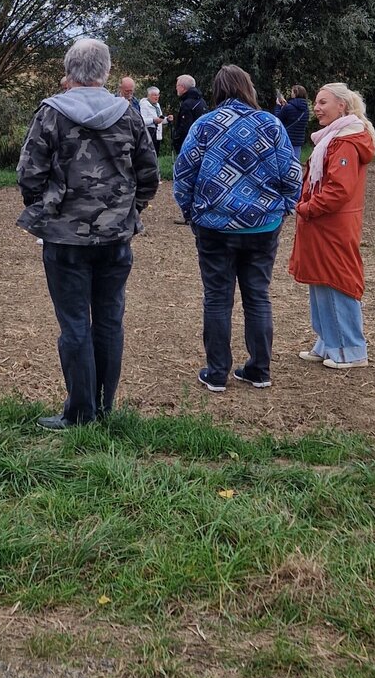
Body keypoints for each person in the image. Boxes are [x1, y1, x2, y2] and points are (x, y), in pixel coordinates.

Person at [17, 36, 159, 427]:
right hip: (116, 238)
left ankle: (81, 413)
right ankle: (103, 408)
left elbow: (29, 174)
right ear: (106, 71)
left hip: (65, 239)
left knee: (75, 324)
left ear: (69, 71)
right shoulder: (129, 114)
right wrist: (127, 211)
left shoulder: (50, 113)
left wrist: (48, 210)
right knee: (110, 321)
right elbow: (149, 174)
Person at [173, 64, 302, 392]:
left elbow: (184, 174)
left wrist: (190, 212)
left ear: (218, 90)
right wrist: (283, 208)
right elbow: (291, 173)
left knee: (217, 298)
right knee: (258, 297)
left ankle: (217, 372)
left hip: (214, 226)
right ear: (248, 88)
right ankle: (259, 369)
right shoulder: (270, 124)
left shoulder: (205, 125)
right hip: (262, 225)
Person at [289, 82, 375, 370]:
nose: (316, 108)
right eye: (316, 102)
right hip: (323, 225)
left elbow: (339, 189)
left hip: (332, 225)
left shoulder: (346, 142)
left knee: (337, 281)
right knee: (321, 280)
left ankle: (350, 350)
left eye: (323, 102)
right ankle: (328, 343)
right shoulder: (332, 138)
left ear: (341, 106)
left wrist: (306, 208)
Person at [171, 75, 207, 154]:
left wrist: (176, 139)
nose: (176, 88)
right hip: (202, 141)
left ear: (183, 87)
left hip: (188, 145)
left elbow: (185, 127)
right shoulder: (202, 101)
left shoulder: (187, 104)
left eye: (177, 86)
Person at [274, 84, 310, 154]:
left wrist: (278, 106)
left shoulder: (288, 107)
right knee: (295, 160)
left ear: (295, 94)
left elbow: (277, 119)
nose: (291, 93)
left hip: (286, 139)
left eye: (292, 92)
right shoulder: (306, 109)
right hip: (298, 141)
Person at [139, 85, 167, 153]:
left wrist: (167, 119)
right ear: (149, 96)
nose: (157, 97)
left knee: (156, 155)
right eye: (155, 95)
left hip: (157, 134)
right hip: (148, 133)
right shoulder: (144, 105)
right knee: (149, 155)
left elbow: (160, 120)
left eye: (158, 95)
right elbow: (141, 120)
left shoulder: (157, 105)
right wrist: (153, 120)